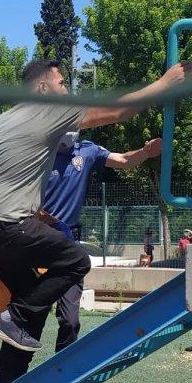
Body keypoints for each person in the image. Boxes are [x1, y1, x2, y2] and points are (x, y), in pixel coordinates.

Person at [0, 57, 190, 383]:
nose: (66, 89)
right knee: (77, 261)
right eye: (62, 82)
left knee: (32, 299)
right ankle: (13, 317)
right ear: (42, 86)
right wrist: (165, 83)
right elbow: (116, 111)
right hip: (12, 224)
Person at [40, 134, 161, 352]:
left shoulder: (87, 151)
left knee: (70, 321)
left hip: (69, 244)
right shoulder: (38, 151)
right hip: (38, 239)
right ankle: (10, 380)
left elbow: (124, 160)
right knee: (32, 316)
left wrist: (145, 152)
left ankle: (63, 374)